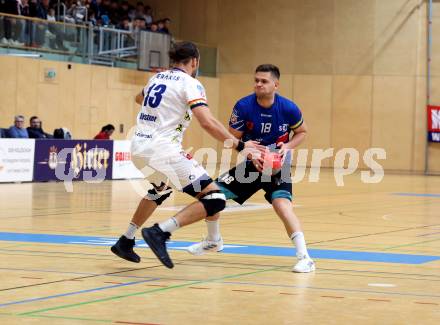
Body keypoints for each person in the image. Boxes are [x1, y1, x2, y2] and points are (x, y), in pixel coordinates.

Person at [110, 41, 263, 268]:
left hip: (138, 149)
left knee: (159, 190)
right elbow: (207, 122)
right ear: (194, 61)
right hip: (163, 150)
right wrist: (241, 146)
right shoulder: (191, 84)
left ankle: (126, 240)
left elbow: (138, 99)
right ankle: (161, 232)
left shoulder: (156, 78)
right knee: (215, 199)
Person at [187, 64, 316, 273]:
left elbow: (302, 131)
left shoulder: (289, 108)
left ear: (276, 84)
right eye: (256, 80)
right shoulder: (244, 106)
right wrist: (249, 153)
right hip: (251, 164)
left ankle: (305, 258)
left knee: (282, 206)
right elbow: (231, 139)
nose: (258, 84)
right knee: (212, 195)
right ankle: (213, 240)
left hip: (277, 166)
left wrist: (287, 147)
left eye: (264, 81)